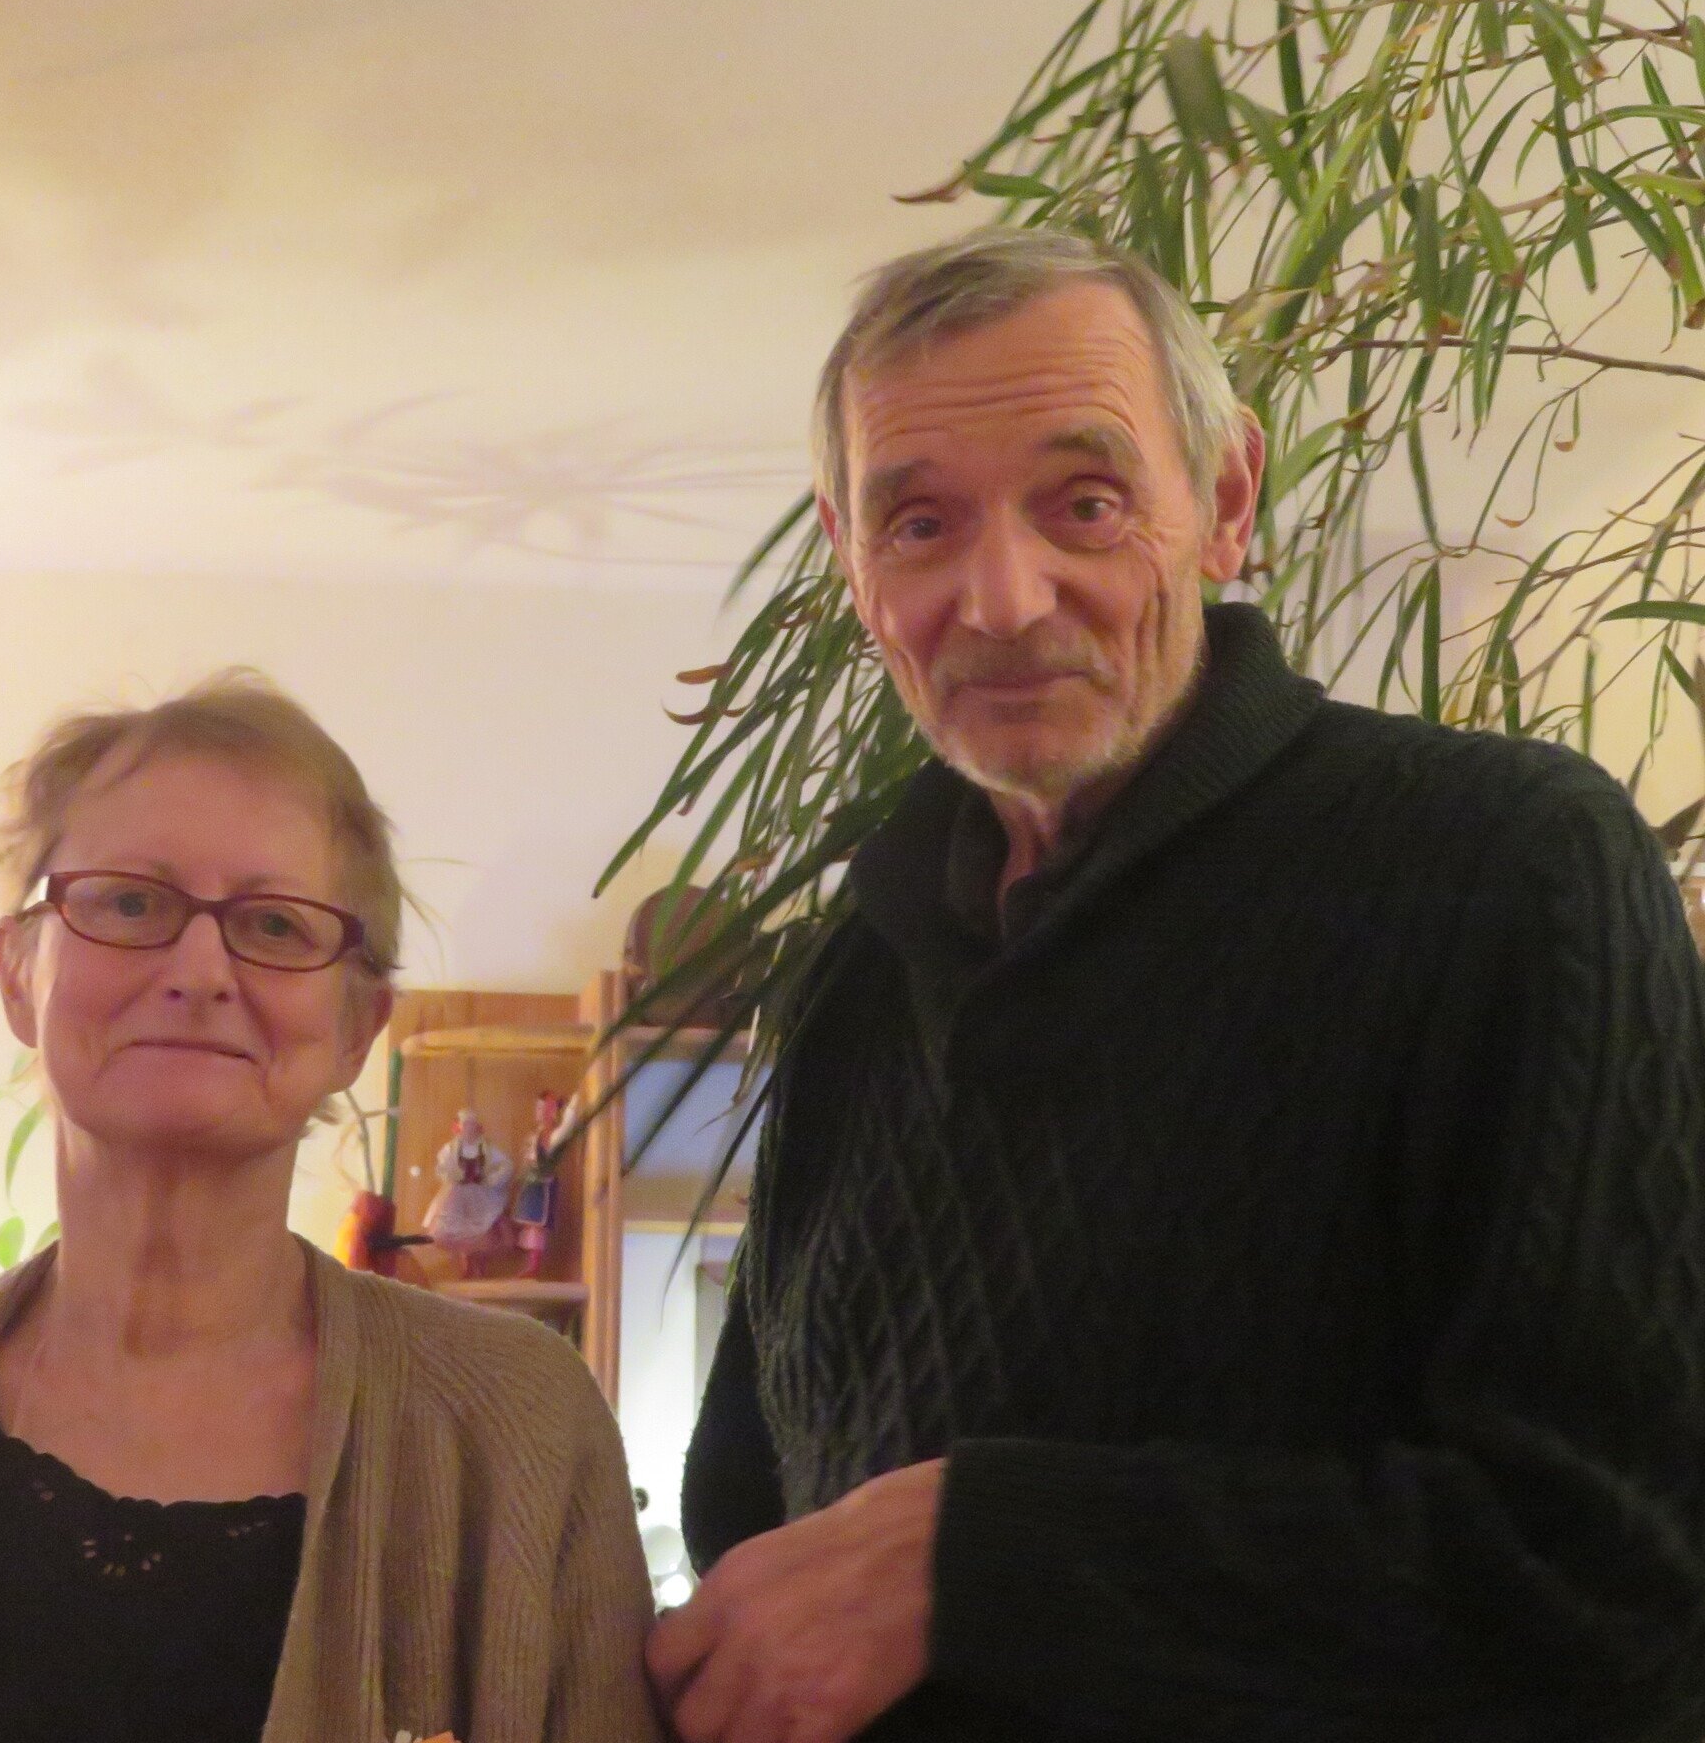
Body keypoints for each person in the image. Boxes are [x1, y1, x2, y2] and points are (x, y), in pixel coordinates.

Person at [653, 226, 1705, 1742]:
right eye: (921, 524)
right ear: (853, 564)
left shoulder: (1506, 871)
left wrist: (982, 1562)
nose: (1002, 599)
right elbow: (755, 1530)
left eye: (1083, 504)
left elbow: (1624, 1587)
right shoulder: (852, 982)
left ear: (1224, 502)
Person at [0, 672, 660, 1743]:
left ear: (356, 1027)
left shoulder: (520, 1426)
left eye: (275, 924)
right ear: (18, 972)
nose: (200, 970)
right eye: (132, 903)